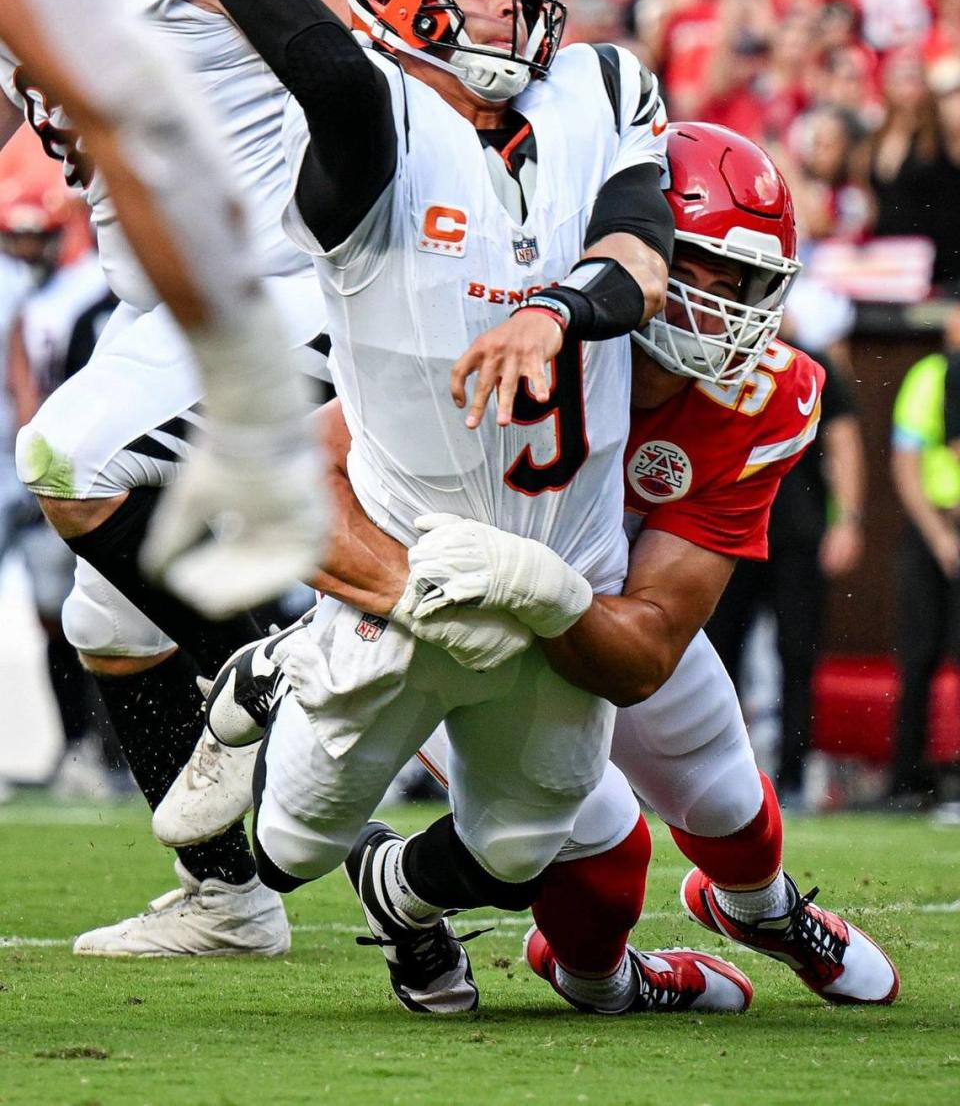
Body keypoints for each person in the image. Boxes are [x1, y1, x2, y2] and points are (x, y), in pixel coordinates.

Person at [82, 0, 747, 1014]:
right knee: (283, 844)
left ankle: (399, 889)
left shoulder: (604, 84)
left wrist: (554, 312)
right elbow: (323, 62)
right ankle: (272, 674)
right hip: (409, 552)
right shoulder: (370, 118)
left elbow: (642, 249)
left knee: (517, 846)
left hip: (566, 555)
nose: (504, 7)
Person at [196, 125, 898, 1015]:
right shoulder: (512, 325)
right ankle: (597, 976)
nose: (724, 307)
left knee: (720, 786)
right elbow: (303, 473)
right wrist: (411, 592)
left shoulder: (758, 396)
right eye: (703, 270)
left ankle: (762, 908)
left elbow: (648, 647)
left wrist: (557, 593)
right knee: (601, 852)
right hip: (461, 615)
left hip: (596, 596)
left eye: (743, 284)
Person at [3, 0, 341, 957]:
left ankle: (296, 659)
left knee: (64, 454)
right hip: (165, 316)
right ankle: (228, 896)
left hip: (288, 285)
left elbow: (361, 17)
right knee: (108, 620)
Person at [0, 175, 124, 800]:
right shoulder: (32, 295)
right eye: (14, 239)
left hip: (78, 467)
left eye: (35, 238)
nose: (24, 251)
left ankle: (105, 751)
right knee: (59, 614)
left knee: (103, 611)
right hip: (32, 468)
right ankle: (84, 747)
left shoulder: (87, 293)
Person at [706, 339, 866, 807]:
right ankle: (715, 777)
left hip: (795, 532)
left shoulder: (810, 362)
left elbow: (843, 440)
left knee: (798, 654)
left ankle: (794, 778)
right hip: (728, 530)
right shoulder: (716, 352)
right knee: (715, 656)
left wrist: (849, 520)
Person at [889, 303, 960, 812]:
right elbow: (907, 463)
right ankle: (907, 781)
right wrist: (939, 537)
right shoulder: (930, 377)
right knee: (917, 657)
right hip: (935, 529)